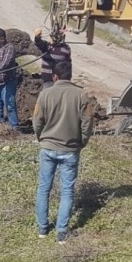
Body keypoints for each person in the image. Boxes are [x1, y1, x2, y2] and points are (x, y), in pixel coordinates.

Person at [32, 61, 94, 244]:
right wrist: (83, 141)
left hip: (48, 148)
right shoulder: (82, 95)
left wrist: (41, 137)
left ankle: (43, 228)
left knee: (44, 188)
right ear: (71, 76)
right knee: (67, 191)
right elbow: (88, 122)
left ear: (54, 77)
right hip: (70, 150)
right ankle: (61, 232)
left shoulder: (45, 94)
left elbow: (36, 121)